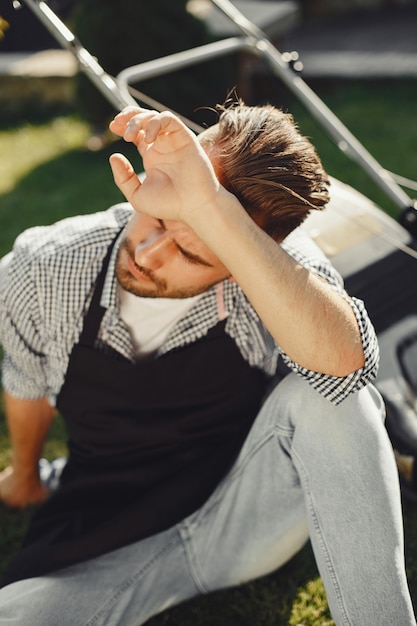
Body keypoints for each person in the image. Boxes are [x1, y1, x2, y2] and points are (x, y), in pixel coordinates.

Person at [0, 101, 414, 625]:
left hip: (243, 520)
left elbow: (349, 373)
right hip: (107, 536)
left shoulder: (276, 270)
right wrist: (24, 478)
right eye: (157, 218)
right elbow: (26, 382)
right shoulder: (45, 266)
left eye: (193, 252)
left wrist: (212, 211)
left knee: (330, 396)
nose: (148, 254)